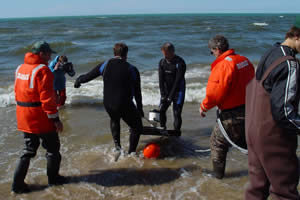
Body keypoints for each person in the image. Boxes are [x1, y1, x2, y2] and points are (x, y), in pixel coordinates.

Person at [245, 18, 300, 200]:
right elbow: (283, 111)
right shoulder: (290, 64)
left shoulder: (271, 52)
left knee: (257, 188)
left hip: (252, 131)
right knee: (284, 191)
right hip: (273, 136)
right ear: (297, 36)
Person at [12, 41, 66, 194]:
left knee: (28, 150)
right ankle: (54, 179)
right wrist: (55, 120)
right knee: (53, 149)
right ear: (41, 53)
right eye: (48, 54)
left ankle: (17, 185)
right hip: (40, 117)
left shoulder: (20, 68)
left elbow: (17, 92)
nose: (50, 57)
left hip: (23, 115)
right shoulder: (43, 70)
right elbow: (47, 100)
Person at [199, 35, 255, 179]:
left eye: (211, 52)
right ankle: (260, 173)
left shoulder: (223, 65)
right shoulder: (244, 60)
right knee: (248, 144)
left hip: (231, 115)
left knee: (217, 143)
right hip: (249, 110)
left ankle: (217, 178)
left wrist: (204, 107)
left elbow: (214, 94)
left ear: (217, 50)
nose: (212, 55)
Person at [74, 42, 144, 154]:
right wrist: (140, 109)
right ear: (126, 54)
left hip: (108, 104)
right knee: (137, 126)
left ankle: (118, 147)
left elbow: (88, 76)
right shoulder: (132, 69)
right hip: (124, 103)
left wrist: (78, 80)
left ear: (114, 52)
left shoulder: (105, 65)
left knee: (115, 119)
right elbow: (137, 92)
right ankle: (131, 153)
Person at [158, 42, 186, 132]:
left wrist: (171, 96)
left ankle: (176, 133)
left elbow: (178, 81)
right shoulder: (162, 62)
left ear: (172, 52)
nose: (165, 56)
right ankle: (163, 129)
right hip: (166, 90)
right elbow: (161, 80)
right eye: (163, 54)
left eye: (166, 54)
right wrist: (163, 95)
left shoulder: (180, 63)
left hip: (178, 91)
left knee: (176, 113)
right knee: (162, 110)